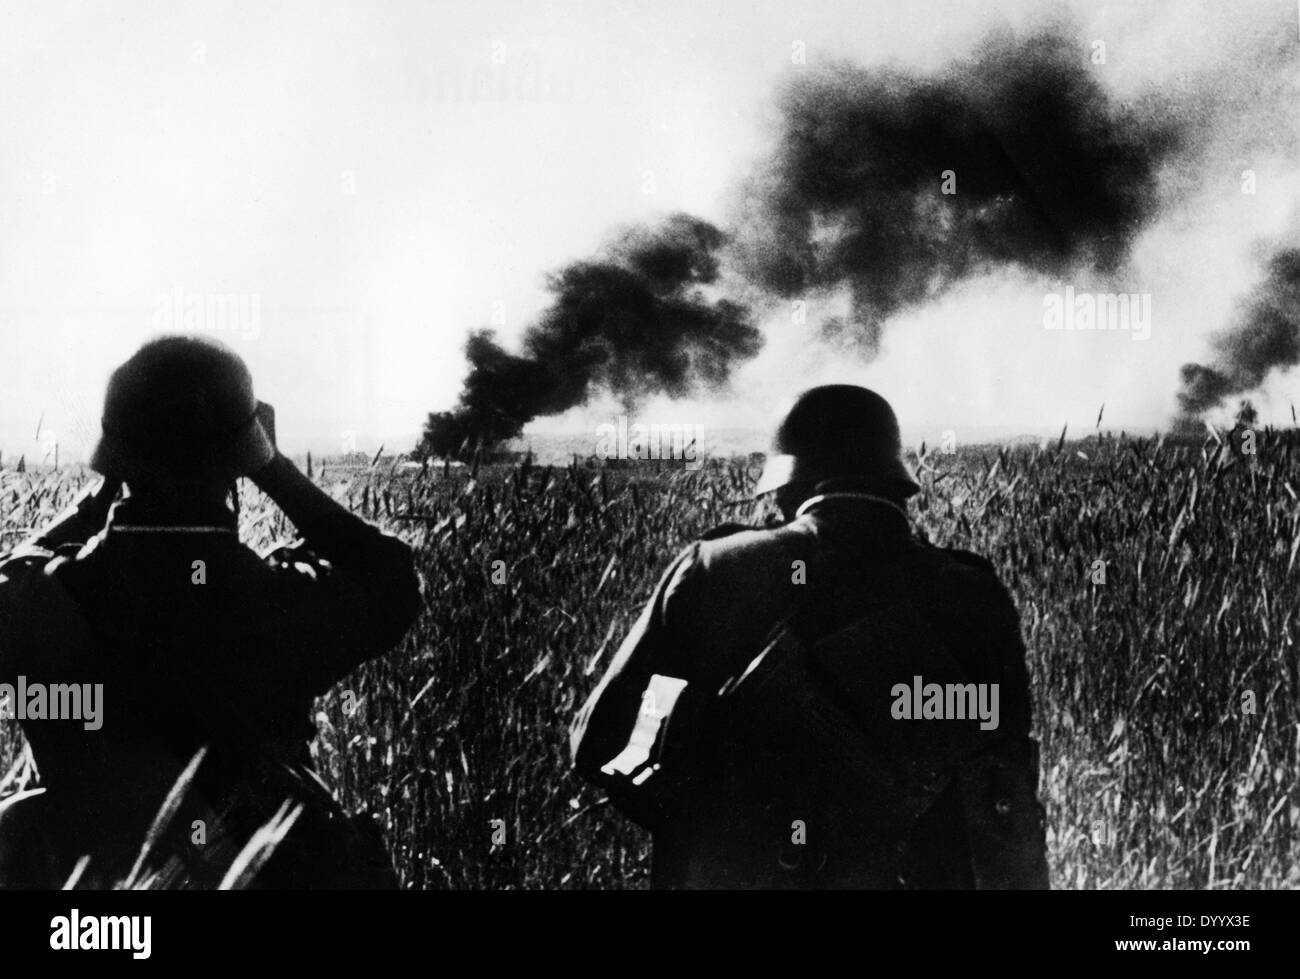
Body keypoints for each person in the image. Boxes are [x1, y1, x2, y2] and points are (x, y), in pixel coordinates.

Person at [571, 384, 1048, 889]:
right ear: (896, 485)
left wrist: (704, 818)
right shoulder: (973, 590)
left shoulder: (717, 569)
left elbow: (599, 741)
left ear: (787, 487)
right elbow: (1003, 767)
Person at [0, 335, 421, 889]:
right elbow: (389, 576)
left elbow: (13, 568)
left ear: (115, 452)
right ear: (243, 454)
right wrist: (273, 468)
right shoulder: (286, 604)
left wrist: (98, 501)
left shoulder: (35, 604)